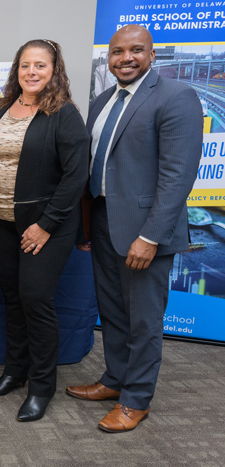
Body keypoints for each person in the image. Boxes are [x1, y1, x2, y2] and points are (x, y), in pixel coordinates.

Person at [67, 25, 203, 432]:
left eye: (136, 50)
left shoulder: (176, 97)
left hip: (146, 229)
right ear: (108, 57)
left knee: (143, 320)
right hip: (106, 220)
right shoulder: (103, 100)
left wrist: (150, 236)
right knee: (112, 311)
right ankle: (115, 380)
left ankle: (136, 399)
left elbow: (177, 177)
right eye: (117, 52)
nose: (125, 58)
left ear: (152, 54)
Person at [0, 39, 89, 422]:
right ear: (17, 69)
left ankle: (42, 388)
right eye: (25, 65)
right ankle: (15, 371)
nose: (32, 72)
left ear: (54, 70)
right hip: (2, 224)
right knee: (12, 298)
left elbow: (76, 177)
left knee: (36, 300)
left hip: (47, 227)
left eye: (40, 65)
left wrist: (45, 225)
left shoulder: (64, 114)